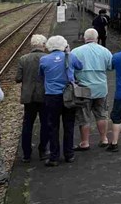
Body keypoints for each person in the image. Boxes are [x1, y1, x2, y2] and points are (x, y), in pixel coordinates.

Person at [39, 35, 83, 167]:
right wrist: (68, 52)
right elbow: (80, 66)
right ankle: (69, 154)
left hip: (52, 96)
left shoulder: (44, 60)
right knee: (69, 125)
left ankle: (54, 157)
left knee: (53, 126)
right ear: (64, 45)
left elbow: (41, 75)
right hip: (69, 95)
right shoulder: (70, 57)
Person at [71, 28, 113, 150]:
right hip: (101, 88)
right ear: (97, 38)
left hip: (83, 90)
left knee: (84, 117)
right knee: (101, 114)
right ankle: (104, 138)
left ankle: (85, 142)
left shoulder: (76, 51)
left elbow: (71, 69)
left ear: (85, 38)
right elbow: (110, 67)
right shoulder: (104, 51)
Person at [15, 34, 49, 163]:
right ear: (43, 45)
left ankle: (26, 154)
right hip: (44, 95)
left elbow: (18, 78)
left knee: (28, 124)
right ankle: (43, 151)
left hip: (28, 97)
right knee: (45, 123)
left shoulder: (23, 59)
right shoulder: (47, 58)